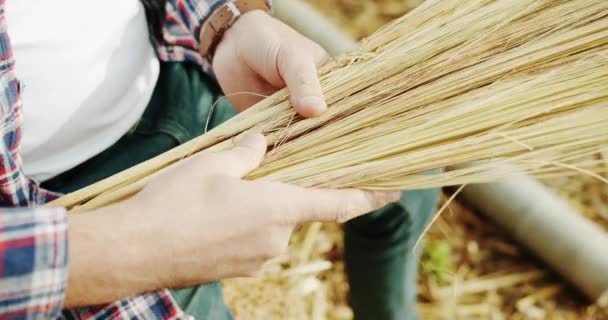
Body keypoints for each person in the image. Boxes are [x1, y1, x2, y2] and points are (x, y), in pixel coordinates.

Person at [0, 0, 439, 319]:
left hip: (180, 72)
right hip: (66, 211)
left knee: (410, 175)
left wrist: (226, 20)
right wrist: (135, 248)